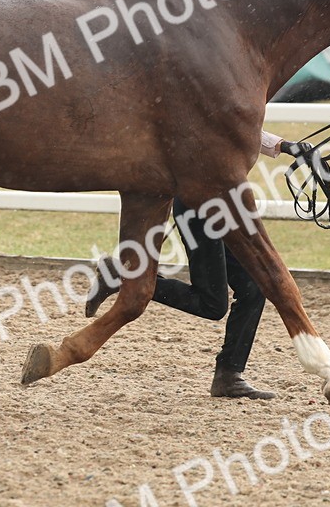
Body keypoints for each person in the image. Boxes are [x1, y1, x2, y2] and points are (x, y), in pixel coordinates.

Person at [85, 130, 297, 399]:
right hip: (200, 204)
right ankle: (121, 276)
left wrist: (285, 146)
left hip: (224, 201)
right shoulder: (211, 92)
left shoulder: (225, 93)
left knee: (253, 287)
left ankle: (229, 376)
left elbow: (241, 126)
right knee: (212, 304)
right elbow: (230, 125)